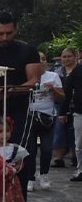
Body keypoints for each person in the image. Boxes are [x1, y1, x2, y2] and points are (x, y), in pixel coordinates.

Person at [0, 10, 40, 201]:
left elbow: (34, 81)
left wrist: (12, 90)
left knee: (18, 159)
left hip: (18, 111)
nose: (4, 37)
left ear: (16, 30)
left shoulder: (27, 50)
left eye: (9, 33)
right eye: (0, 33)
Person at [24, 52, 63, 191]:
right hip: (30, 116)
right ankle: (30, 178)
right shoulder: (26, 75)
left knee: (46, 149)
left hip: (47, 118)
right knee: (31, 150)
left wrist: (52, 90)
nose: (41, 62)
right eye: (37, 59)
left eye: (43, 59)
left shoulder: (53, 76)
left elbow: (62, 98)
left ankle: (44, 174)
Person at [59, 50, 82, 182]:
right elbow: (67, 94)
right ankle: (80, 170)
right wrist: (62, 112)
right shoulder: (77, 71)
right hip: (79, 111)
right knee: (79, 144)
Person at [53, 48, 77, 168]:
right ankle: (59, 158)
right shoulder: (57, 70)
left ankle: (74, 156)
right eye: (64, 57)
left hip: (76, 104)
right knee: (58, 130)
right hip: (60, 103)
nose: (66, 59)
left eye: (69, 56)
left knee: (74, 131)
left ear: (75, 57)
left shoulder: (78, 70)